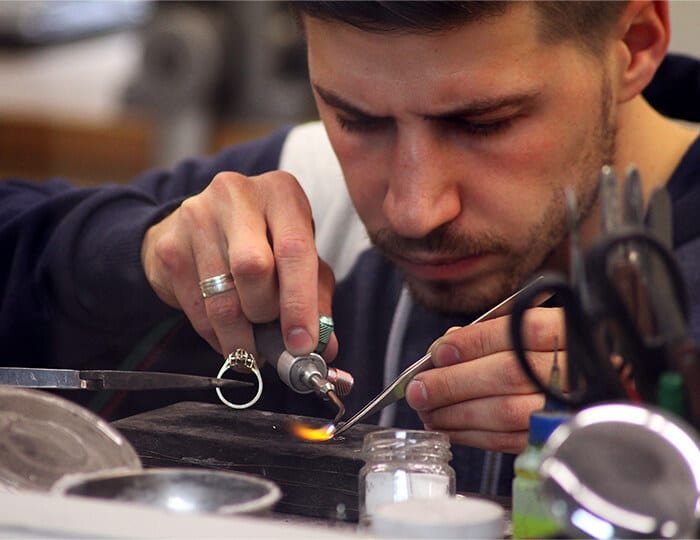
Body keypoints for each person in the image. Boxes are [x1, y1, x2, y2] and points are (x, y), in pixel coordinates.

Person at [2, 1, 700, 496]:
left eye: (484, 123)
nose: (414, 209)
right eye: (357, 120)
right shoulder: (312, 197)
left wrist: (675, 432)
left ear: (635, 43)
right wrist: (141, 254)